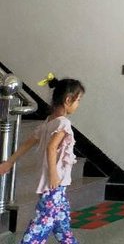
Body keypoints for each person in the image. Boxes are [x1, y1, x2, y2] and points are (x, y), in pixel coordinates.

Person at [0, 74, 85, 244]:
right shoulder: (63, 123)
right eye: (78, 100)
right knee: (42, 223)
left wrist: (10, 161)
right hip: (54, 183)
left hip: (55, 184)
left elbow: (28, 143)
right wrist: (53, 174)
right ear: (68, 100)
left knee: (61, 224)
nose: (78, 104)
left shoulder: (48, 122)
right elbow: (51, 148)